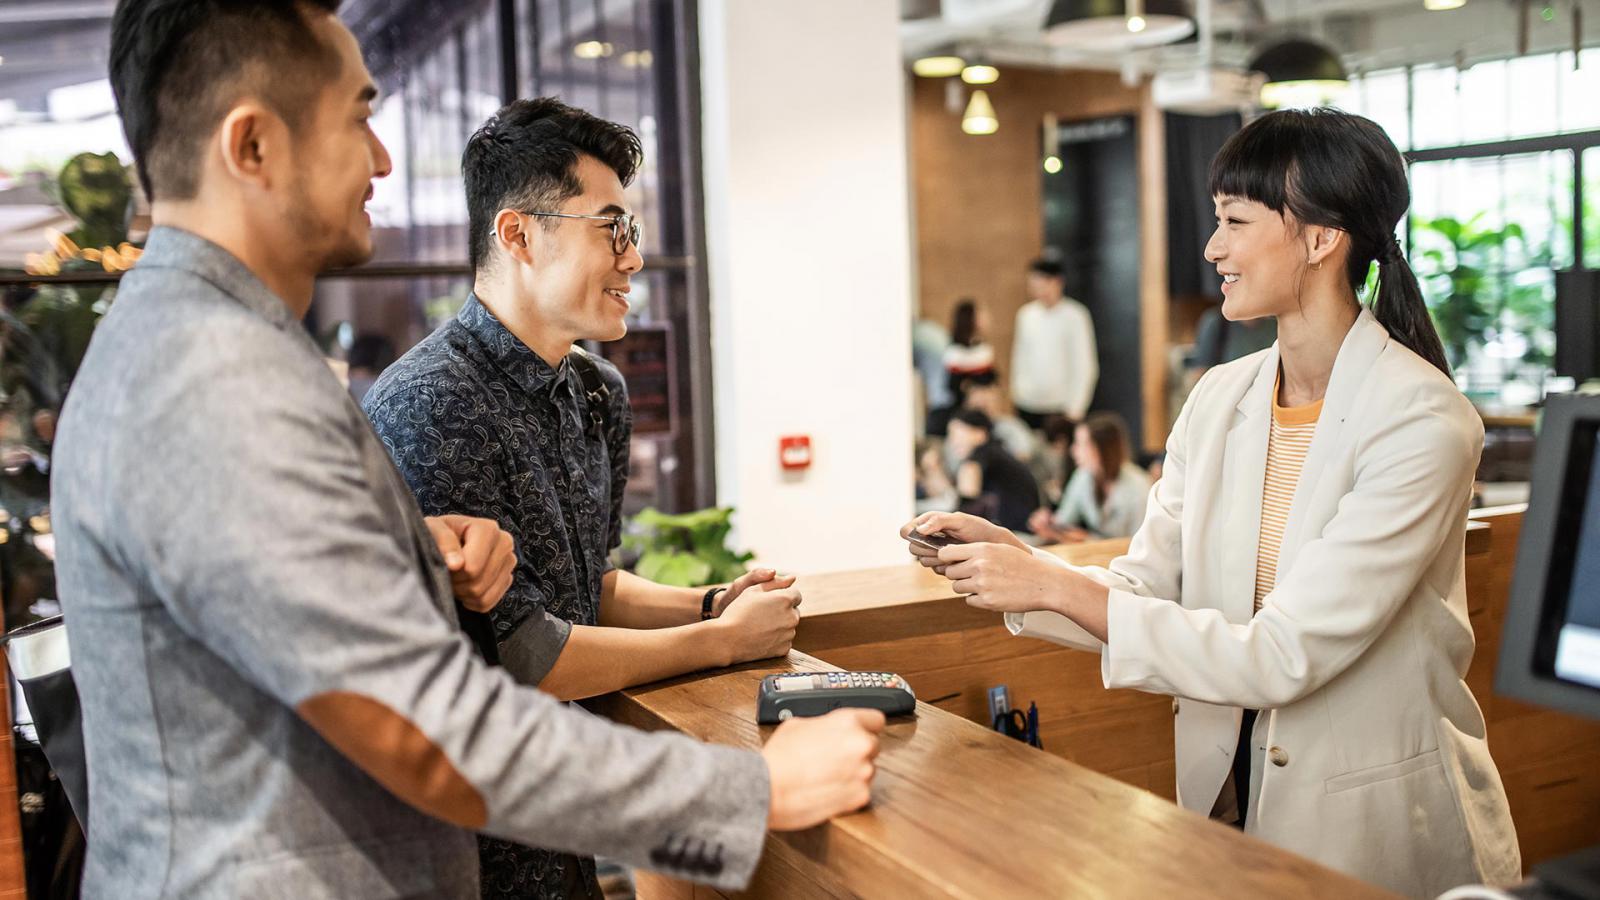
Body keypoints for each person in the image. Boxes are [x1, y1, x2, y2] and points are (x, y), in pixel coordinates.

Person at [50, 2, 883, 896]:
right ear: (252, 146)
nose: (383, 158)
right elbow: (421, 725)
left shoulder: (208, 345)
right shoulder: (212, 376)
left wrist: (418, 557)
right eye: (361, 116)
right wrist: (756, 788)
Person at [902, 109, 1519, 897]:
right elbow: (1139, 595)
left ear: (1322, 238)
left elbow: (1281, 655)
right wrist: (1016, 563)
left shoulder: (1423, 420)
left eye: (1234, 221)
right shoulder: (1220, 396)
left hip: (1377, 828)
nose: (1212, 248)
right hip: (1225, 806)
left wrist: (1054, 586)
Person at [364, 97, 809, 898]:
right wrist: (723, 642)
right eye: (612, 228)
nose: (632, 258)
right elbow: (525, 654)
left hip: (569, 837)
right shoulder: (429, 404)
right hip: (467, 851)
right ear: (517, 234)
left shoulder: (594, 392)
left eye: (629, 231)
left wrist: (709, 602)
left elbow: (590, 589)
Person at [1028, 412, 1149, 544]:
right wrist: (1048, 522)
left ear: (1103, 449)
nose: (1073, 450)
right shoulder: (1083, 476)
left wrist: (1088, 539)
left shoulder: (1139, 487)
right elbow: (1064, 520)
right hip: (1095, 554)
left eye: (1081, 444)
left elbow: (1140, 544)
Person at [1009, 258, 1097, 430]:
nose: (1037, 290)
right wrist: (1017, 392)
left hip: (1061, 406)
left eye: (1041, 283)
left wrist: (1076, 406)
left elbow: (1084, 363)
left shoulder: (1076, 315)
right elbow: (1019, 357)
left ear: (1057, 282)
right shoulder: (1026, 315)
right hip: (1028, 403)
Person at [944, 409, 1039, 535]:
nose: (953, 442)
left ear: (980, 433)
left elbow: (966, 499)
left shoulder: (981, 455)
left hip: (1014, 532)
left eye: (957, 434)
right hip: (1022, 527)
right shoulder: (996, 451)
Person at [942, 298, 995, 405]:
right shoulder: (955, 353)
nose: (987, 319)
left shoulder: (983, 348)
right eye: (981, 315)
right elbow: (954, 385)